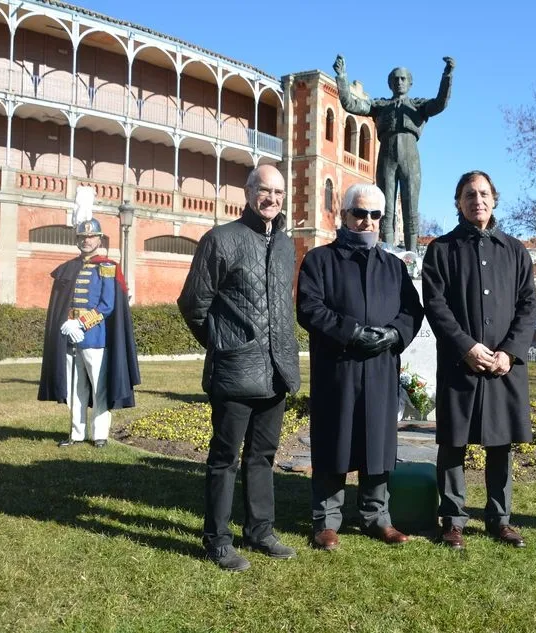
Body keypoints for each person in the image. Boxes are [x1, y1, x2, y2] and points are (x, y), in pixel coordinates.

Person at [178, 164, 301, 572]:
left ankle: (260, 530)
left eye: (278, 193)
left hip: (276, 371)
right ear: (248, 192)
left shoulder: (285, 245)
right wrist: (223, 342)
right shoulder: (221, 240)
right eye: (264, 190)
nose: (272, 199)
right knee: (225, 458)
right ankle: (217, 539)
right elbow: (193, 304)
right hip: (235, 372)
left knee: (263, 456)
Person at [296, 183, 424, 551]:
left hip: (381, 367)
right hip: (338, 367)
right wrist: (351, 332)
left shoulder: (393, 266)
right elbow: (310, 308)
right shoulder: (320, 260)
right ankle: (326, 521)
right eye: (360, 213)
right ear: (345, 215)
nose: (367, 220)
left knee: (377, 442)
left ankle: (376, 516)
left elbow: (412, 311)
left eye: (375, 214)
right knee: (333, 440)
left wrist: (393, 334)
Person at [421, 170, 536, 550]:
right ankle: (453, 519)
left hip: (504, 366)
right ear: (458, 202)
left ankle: (499, 519)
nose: (478, 201)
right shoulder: (441, 250)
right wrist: (466, 347)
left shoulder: (515, 250)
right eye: (470, 195)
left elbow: (528, 305)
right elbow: (435, 305)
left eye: (484, 194)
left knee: (501, 443)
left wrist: (510, 352)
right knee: (453, 444)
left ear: (494, 199)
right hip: (461, 363)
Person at [38, 202, 140, 449]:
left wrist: (81, 324)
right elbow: (62, 303)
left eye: (91, 236)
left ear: (99, 239)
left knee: (98, 387)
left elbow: (107, 305)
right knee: (75, 388)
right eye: (82, 237)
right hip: (69, 336)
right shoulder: (69, 268)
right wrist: (66, 323)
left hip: (95, 337)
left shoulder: (106, 267)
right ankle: (76, 434)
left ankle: (100, 434)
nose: (86, 240)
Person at [334, 54, 454, 253]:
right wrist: (342, 76)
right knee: (386, 209)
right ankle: (387, 251)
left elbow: (440, 103)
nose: (399, 82)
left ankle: (412, 254)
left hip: (410, 159)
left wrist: (447, 75)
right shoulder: (380, 106)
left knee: (410, 210)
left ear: (410, 83)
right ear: (389, 84)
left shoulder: (418, 106)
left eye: (403, 79)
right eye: (395, 79)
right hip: (386, 158)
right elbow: (351, 104)